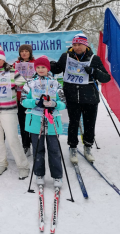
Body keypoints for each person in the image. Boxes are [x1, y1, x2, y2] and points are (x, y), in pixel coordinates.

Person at [50, 33, 111, 163]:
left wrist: (94, 71)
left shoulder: (94, 58)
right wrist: (51, 64)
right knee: (73, 123)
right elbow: (57, 70)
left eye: (80, 44)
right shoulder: (66, 56)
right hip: (72, 97)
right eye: (75, 44)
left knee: (89, 124)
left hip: (90, 98)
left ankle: (88, 147)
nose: (77, 47)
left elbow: (106, 77)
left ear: (85, 45)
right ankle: (73, 148)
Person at [0, 46, 30, 179]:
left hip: (8, 111)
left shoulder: (12, 73)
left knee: (12, 138)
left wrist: (16, 86)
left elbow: (26, 85)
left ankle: (23, 165)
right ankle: (1, 162)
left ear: (3, 60)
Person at [21, 56, 66, 188]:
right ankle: (39, 174)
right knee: (38, 150)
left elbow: (63, 103)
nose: (41, 70)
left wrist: (54, 103)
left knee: (54, 150)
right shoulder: (30, 83)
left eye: (43, 67)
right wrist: (35, 102)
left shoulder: (56, 83)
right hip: (35, 122)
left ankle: (57, 176)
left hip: (52, 123)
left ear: (48, 68)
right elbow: (23, 101)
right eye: (38, 67)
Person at [12, 44, 35, 157]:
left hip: (33, 98)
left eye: (26, 51)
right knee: (23, 122)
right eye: (22, 51)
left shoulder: (36, 63)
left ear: (30, 52)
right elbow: (11, 77)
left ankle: (35, 143)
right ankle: (25, 145)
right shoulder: (15, 64)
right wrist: (22, 82)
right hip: (20, 97)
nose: (24, 53)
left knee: (34, 121)